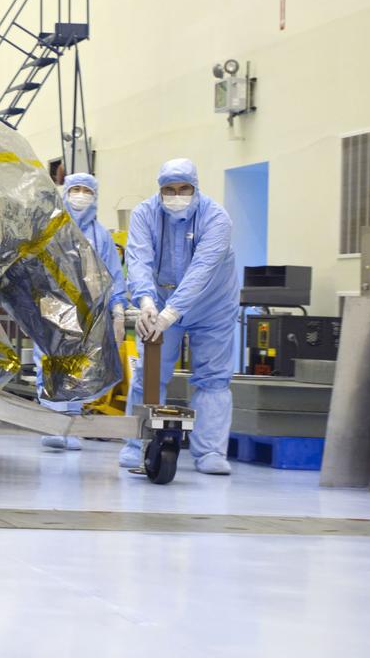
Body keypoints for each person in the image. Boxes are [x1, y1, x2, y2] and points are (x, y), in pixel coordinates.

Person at [119, 158, 238, 475]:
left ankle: (210, 451)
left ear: (195, 187)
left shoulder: (216, 219)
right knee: (150, 371)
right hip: (159, 301)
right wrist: (146, 302)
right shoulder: (145, 214)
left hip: (212, 305)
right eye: (168, 189)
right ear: (159, 190)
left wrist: (171, 313)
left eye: (183, 188)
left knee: (213, 377)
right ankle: (138, 443)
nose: (176, 194)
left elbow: (202, 271)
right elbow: (138, 258)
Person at [35, 173, 128, 450]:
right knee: (53, 361)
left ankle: (71, 426)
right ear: (65, 193)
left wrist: (119, 311)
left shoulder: (101, 237)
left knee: (79, 367)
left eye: (85, 190)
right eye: (75, 189)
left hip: (88, 310)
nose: (80, 195)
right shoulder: (52, 227)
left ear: (95, 196)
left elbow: (113, 274)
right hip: (55, 304)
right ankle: (52, 424)